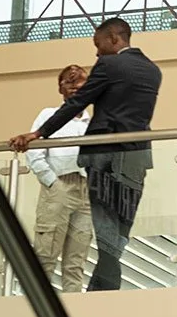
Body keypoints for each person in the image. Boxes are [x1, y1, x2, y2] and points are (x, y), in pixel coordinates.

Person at [9, 17, 162, 291]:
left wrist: (38, 134)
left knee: (96, 238)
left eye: (98, 44)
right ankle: (102, 292)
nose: (97, 52)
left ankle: (95, 292)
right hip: (136, 158)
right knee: (115, 235)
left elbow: (78, 102)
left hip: (103, 161)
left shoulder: (109, 65)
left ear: (114, 39)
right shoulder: (153, 70)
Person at [26, 64, 93, 292]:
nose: (74, 86)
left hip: (86, 189)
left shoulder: (93, 122)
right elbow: (34, 151)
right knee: (46, 254)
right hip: (59, 184)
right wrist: (51, 182)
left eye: (79, 81)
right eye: (68, 81)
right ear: (60, 88)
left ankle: (73, 306)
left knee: (76, 261)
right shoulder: (48, 115)